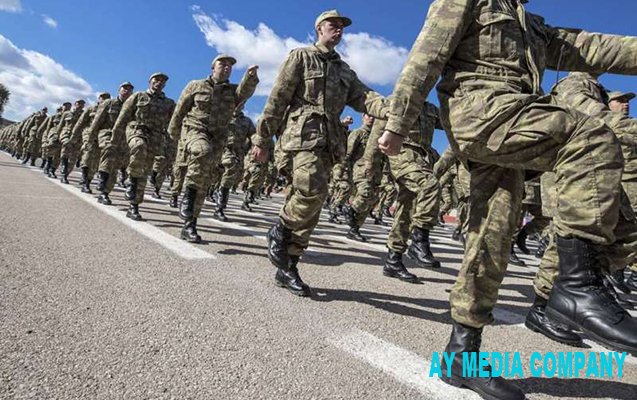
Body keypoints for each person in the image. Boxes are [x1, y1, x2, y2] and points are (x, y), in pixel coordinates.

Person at [378, 1, 637, 398]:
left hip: (514, 117)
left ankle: (461, 354)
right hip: (480, 111)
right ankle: (573, 287)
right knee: (591, 135)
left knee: (492, 236)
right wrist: (398, 121)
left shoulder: (531, 26)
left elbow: (591, 46)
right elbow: (427, 54)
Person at [251, 10, 388, 297]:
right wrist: (261, 139)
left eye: (341, 27)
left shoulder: (344, 71)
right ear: (319, 29)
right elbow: (277, 99)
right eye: (333, 26)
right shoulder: (300, 57)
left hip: (329, 143)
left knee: (311, 206)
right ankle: (280, 229)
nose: (338, 30)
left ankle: (288, 266)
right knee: (311, 188)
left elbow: (365, 97)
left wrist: (391, 107)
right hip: (301, 137)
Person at [167, 55, 258, 241]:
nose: (226, 67)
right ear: (212, 67)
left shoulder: (232, 91)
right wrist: (175, 137)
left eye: (230, 66)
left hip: (217, 138)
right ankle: (186, 198)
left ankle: (190, 224)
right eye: (222, 64)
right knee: (202, 151)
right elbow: (180, 111)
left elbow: (244, 93)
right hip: (195, 129)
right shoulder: (195, 85)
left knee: (204, 179)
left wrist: (249, 76)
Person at [112, 73, 175, 220]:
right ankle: (131, 182)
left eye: (162, 81)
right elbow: (123, 117)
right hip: (136, 130)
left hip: (155, 138)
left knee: (144, 171)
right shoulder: (139, 96)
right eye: (156, 80)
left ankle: (134, 205)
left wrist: (171, 146)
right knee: (139, 147)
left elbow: (174, 124)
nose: (159, 82)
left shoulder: (169, 103)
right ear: (150, 81)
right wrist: (115, 140)